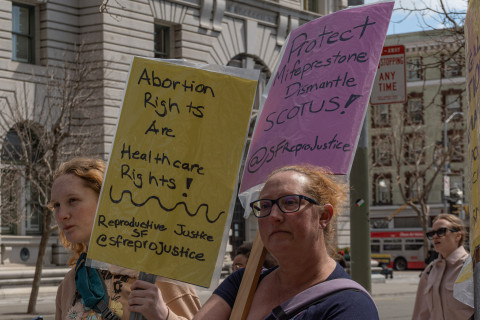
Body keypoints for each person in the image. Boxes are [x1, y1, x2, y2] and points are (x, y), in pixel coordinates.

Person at [194, 165, 379, 319]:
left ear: (324, 216)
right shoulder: (243, 282)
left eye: (290, 202)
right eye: (265, 205)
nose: (274, 215)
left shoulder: (350, 306)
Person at [51, 157, 201, 320]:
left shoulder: (159, 272)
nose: (61, 215)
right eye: (56, 205)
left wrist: (164, 316)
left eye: (73, 200)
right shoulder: (69, 284)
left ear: (107, 202)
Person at [412, 213, 474, 320]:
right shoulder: (430, 270)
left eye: (441, 231)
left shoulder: (471, 267)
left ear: (458, 236)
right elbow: (420, 313)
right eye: (432, 233)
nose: (435, 236)